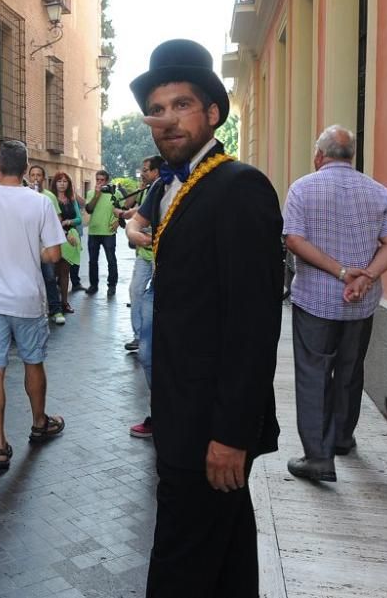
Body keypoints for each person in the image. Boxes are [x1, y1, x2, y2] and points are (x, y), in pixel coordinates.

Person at [128, 39, 283, 596]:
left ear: (212, 113)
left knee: (180, 566)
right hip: (183, 416)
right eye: (157, 109)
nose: (166, 120)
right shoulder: (176, 187)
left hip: (208, 430)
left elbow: (253, 325)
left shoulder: (238, 187)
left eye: (181, 105)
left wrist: (231, 435)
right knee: (227, 557)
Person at [283, 125, 387, 482]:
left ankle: (318, 458)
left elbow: (293, 239)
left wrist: (341, 273)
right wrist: (366, 276)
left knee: (313, 373)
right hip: (360, 304)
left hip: (315, 300)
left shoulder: (302, 187)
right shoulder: (378, 190)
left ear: (319, 155)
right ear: (352, 156)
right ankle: (341, 438)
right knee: (351, 370)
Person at [0, 140, 66, 470]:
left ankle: (0, 445)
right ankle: (38, 423)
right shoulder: (39, 202)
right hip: (27, 297)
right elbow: (55, 254)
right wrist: (28, 252)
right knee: (34, 362)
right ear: (25, 166)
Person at [123, 156, 160, 354]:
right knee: (135, 290)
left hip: (158, 255)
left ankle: (153, 336)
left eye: (146, 169)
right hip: (143, 254)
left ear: (157, 171)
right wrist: (133, 228)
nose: (143, 173)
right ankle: (139, 336)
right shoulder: (148, 189)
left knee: (152, 298)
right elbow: (138, 213)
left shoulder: (164, 188)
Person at [28, 165, 65, 325]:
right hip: (28, 245)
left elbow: (57, 220)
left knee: (49, 277)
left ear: (43, 178)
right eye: (33, 175)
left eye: (39, 175)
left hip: (45, 244)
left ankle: (56, 310)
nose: (36, 178)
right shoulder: (25, 195)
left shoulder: (49, 196)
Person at [84, 170, 123, 297]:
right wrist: (96, 195)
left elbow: (121, 210)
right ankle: (93, 285)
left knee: (111, 260)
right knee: (92, 261)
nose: (99, 182)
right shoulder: (91, 193)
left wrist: (117, 220)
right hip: (94, 232)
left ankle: (112, 286)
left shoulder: (115, 193)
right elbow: (89, 210)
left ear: (107, 181)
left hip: (109, 232)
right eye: (97, 180)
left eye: (102, 180)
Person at [50, 172, 82, 315]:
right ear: (54, 183)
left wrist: (69, 221)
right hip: (54, 238)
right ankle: (53, 304)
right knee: (52, 273)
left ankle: (64, 303)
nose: (62, 184)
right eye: (59, 181)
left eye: (65, 181)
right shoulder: (50, 199)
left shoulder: (71, 199)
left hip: (70, 239)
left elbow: (79, 219)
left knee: (65, 272)